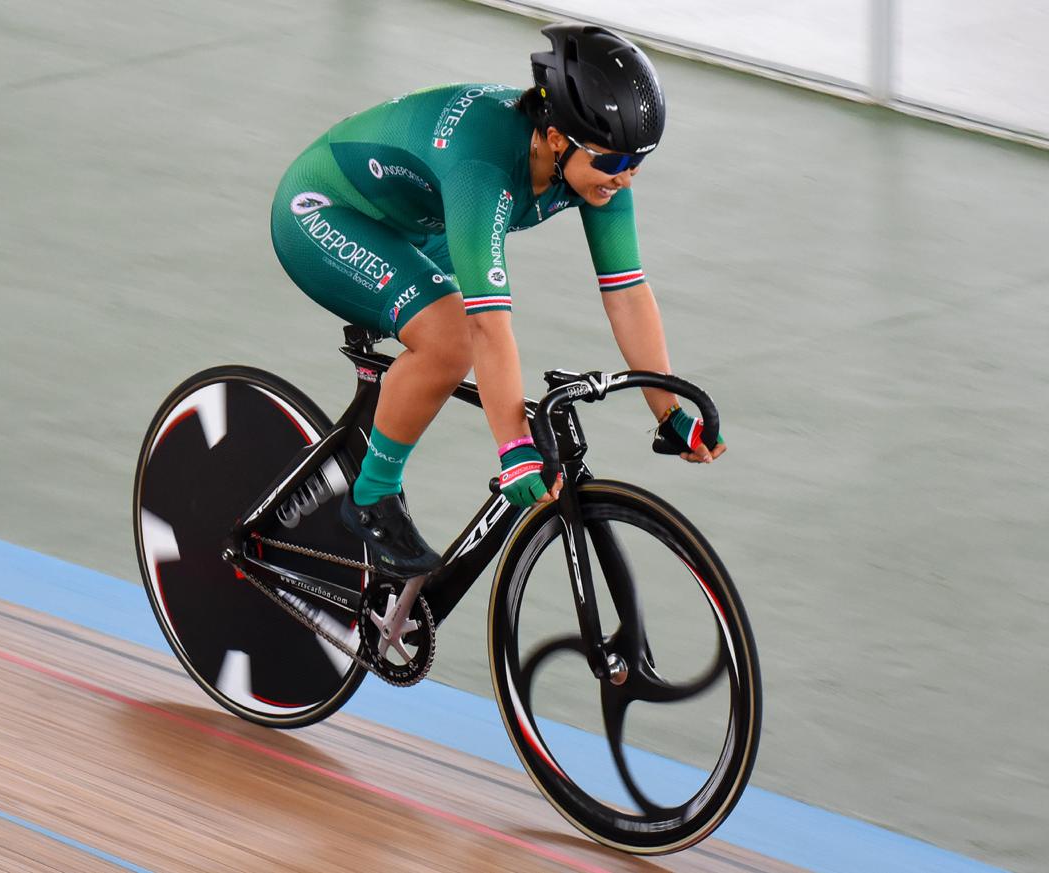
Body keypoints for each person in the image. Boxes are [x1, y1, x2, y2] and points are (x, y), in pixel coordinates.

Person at [269, 23, 724, 577]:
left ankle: (379, 425)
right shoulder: (483, 167)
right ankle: (372, 495)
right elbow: (486, 326)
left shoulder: (597, 170)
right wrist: (513, 449)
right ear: (556, 138)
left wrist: (668, 412)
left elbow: (627, 293)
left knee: (457, 314)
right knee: (449, 336)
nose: (625, 179)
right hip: (323, 210)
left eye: (637, 162)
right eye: (611, 163)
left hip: (415, 222)